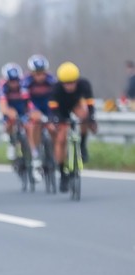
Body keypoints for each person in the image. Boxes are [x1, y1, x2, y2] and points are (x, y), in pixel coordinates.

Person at [49, 62, 91, 192]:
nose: (70, 86)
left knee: (85, 116)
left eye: (72, 83)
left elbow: (90, 104)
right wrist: (58, 121)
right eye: (66, 83)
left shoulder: (84, 85)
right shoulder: (55, 89)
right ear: (61, 83)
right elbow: (53, 110)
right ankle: (62, 173)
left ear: (77, 81)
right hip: (60, 110)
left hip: (75, 105)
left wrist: (91, 118)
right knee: (61, 139)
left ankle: (83, 145)